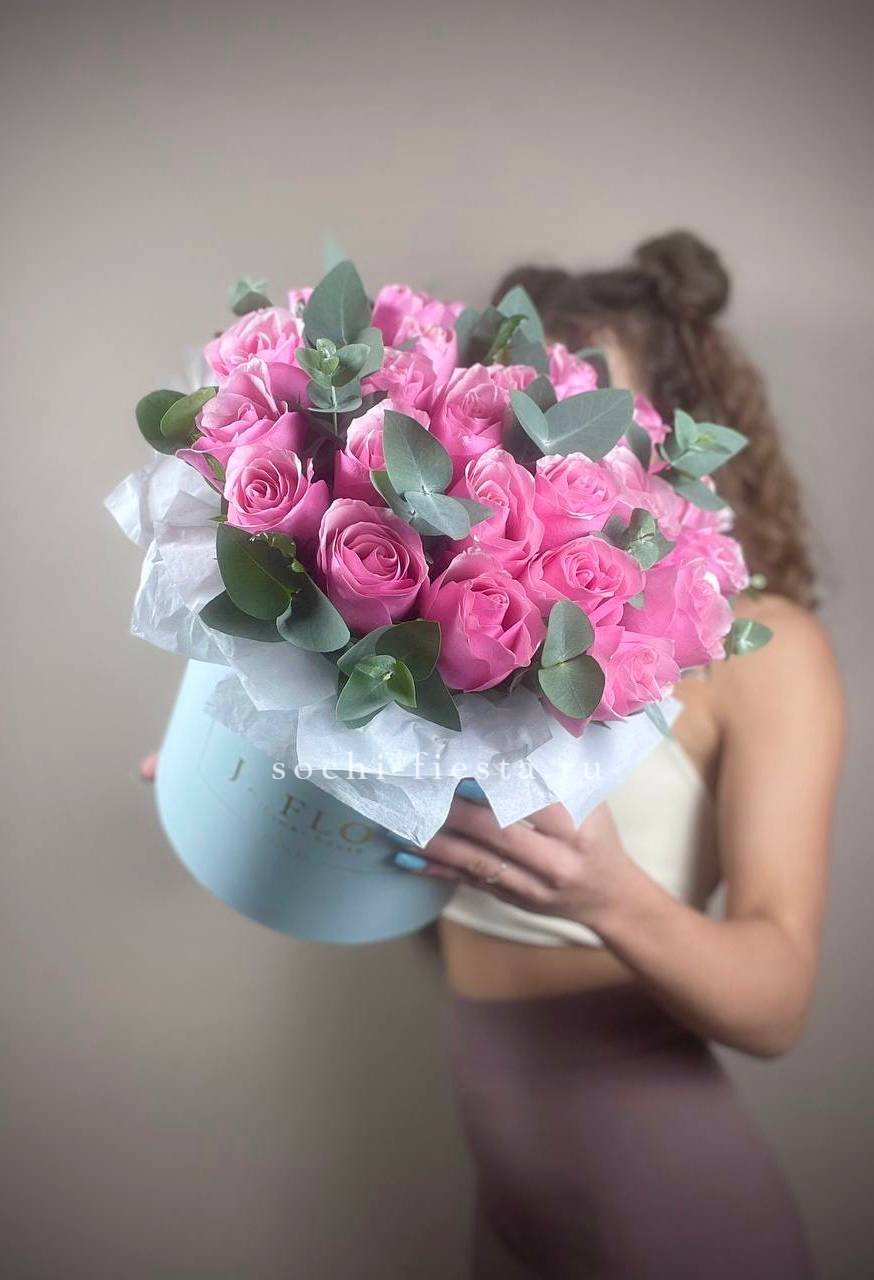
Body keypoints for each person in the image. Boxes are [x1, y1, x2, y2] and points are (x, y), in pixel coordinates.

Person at [401, 232, 844, 1278]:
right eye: (523, 411)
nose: (551, 449)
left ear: (680, 435)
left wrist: (609, 895)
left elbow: (778, 1002)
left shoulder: (762, 648)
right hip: (510, 1209)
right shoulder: (455, 627)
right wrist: (243, 781)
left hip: (673, 1217)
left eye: (595, 415)